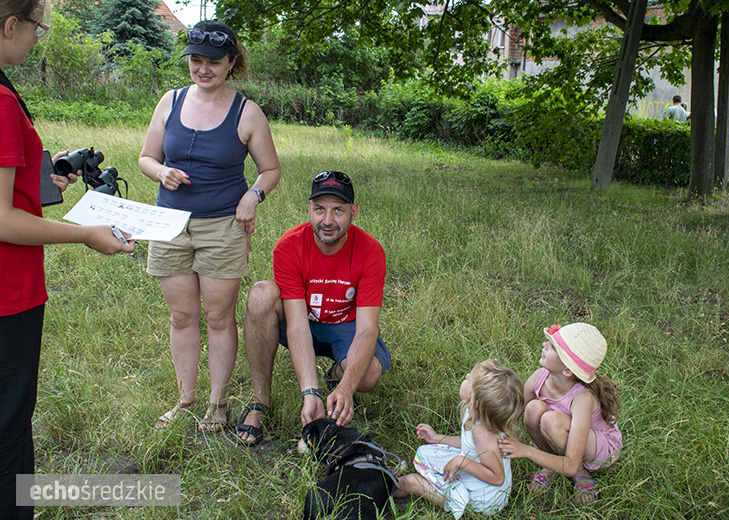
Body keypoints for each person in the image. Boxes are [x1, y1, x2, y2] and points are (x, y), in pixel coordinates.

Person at [1, 2, 135, 517]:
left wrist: (40, 178)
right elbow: (3, 220)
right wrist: (85, 236)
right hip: (7, 295)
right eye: (38, 27)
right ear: (11, 25)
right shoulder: (2, 102)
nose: (38, 37)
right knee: (9, 425)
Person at [138, 19, 281, 432]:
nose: (203, 69)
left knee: (219, 318)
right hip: (170, 224)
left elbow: (269, 170)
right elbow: (146, 157)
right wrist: (160, 172)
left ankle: (216, 405)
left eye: (213, 62)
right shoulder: (170, 101)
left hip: (222, 227)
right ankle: (185, 400)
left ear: (231, 62)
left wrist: (253, 196)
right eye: (195, 61)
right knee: (181, 317)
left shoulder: (247, 112)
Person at [235, 171, 389, 445]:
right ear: (309, 208)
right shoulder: (289, 246)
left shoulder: (370, 251)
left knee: (368, 376)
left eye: (338, 211)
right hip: (304, 319)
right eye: (320, 209)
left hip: (346, 324)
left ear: (353, 212)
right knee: (261, 294)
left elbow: (367, 328)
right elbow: (296, 323)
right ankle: (261, 401)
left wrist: (346, 387)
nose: (327, 221)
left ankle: (335, 377)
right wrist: (310, 392)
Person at [498, 323, 622, 505]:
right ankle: (553, 463)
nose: (544, 345)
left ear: (567, 371)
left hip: (596, 445)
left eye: (553, 347)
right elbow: (514, 415)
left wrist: (527, 451)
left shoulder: (582, 398)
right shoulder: (539, 377)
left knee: (550, 419)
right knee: (533, 408)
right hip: (558, 432)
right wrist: (490, 435)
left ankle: (581, 473)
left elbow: (571, 463)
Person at [394, 359, 524, 519]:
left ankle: (383, 490)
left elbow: (497, 478)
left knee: (411, 482)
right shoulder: (478, 415)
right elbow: (469, 446)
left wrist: (461, 462)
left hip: (484, 498)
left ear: (476, 402)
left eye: (470, 379)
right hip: (477, 472)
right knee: (426, 452)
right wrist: (437, 438)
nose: (467, 375)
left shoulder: (483, 433)